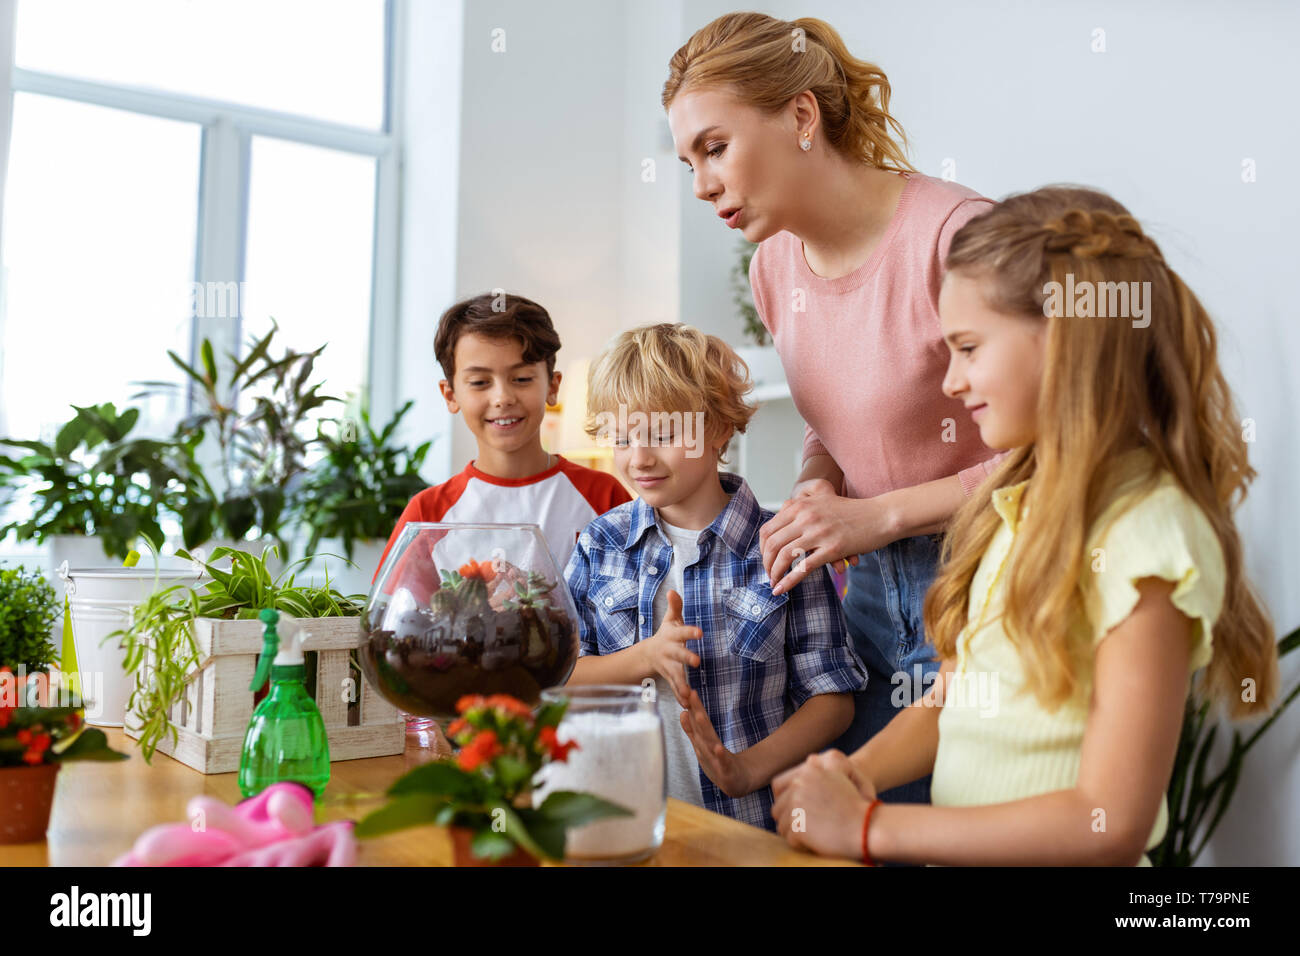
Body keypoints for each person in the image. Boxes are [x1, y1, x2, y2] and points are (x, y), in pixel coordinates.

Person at [768, 186, 1279, 865]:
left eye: (969, 347)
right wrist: (852, 778)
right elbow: (954, 699)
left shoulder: (1147, 534)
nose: (950, 381)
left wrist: (867, 831)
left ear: (1065, 340)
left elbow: (1111, 820)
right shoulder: (1015, 506)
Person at [663, 12, 1004, 800]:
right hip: (867, 595)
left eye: (715, 148)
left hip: (982, 588)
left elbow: (1060, 452)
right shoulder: (774, 266)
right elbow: (833, 414)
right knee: (831, 829)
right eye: (687, 161)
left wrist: (878, 515)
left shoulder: (955, 237)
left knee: (933, 836)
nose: (702, 184)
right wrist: (820, 479)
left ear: (801, 117)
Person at [563, 323, 868, 831]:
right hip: (617, 824)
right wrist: (644, 658)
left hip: (751, 829)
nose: (638, 458)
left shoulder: (782, 545)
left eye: (662, 434)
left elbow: (832, 699)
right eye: (623, 437)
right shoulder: (601, 543)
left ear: (719, 428)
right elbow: (557, 677)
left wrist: (746, 770)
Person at [373, 291, 631, 595]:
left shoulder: (603, 497)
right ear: (451, 395)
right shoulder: (427, 515)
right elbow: (395, 623)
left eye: (521, 379)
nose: (503, 398)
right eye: (480, 382)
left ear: (553, 386)